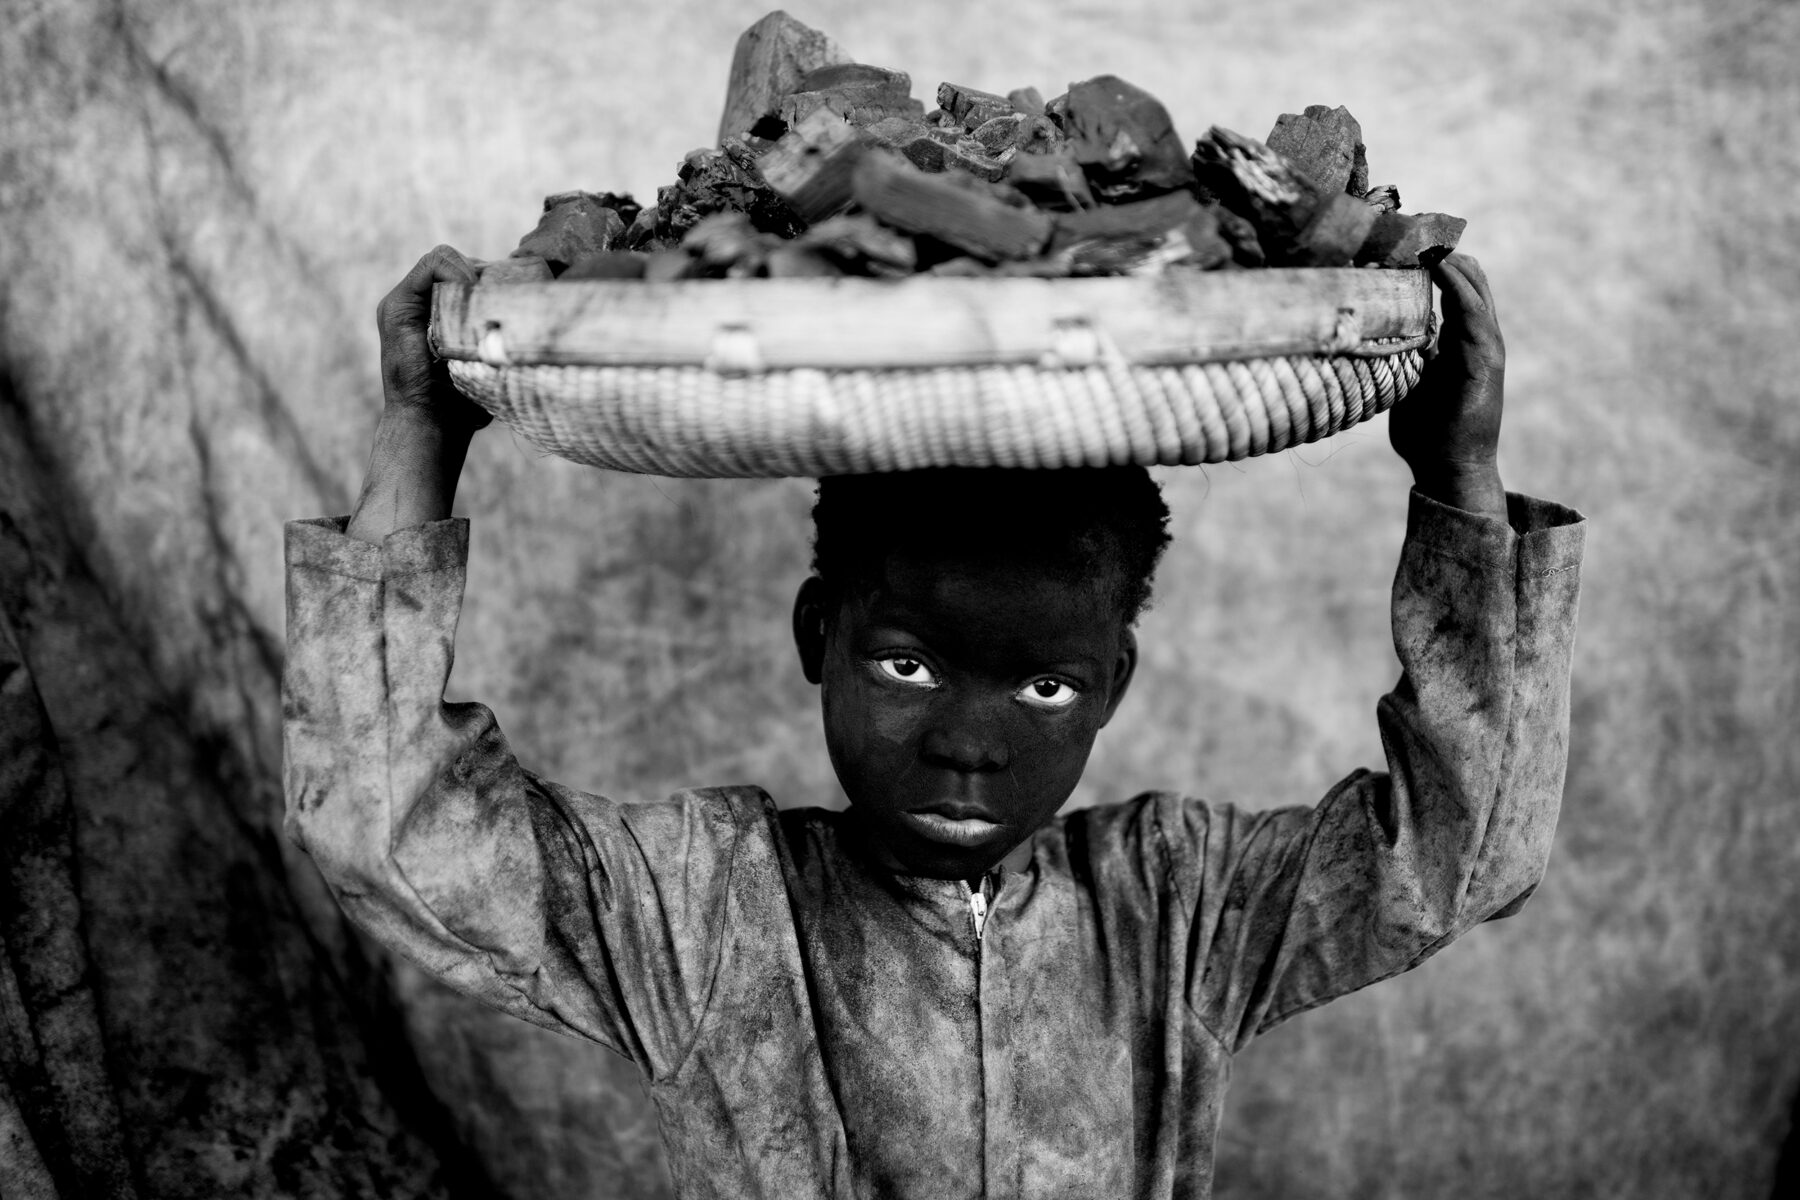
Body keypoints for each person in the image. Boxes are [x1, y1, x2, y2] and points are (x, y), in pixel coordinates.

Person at [283, 246, 1584, 1199]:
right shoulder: (704, 906)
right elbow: (394, 826)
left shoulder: (1182, 908)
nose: (970, 740)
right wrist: (419, 438)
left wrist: (1457, 478)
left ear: (1114, 686)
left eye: (1045, 689)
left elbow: (1464, 850)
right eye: (906, 665)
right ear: (818, 638)